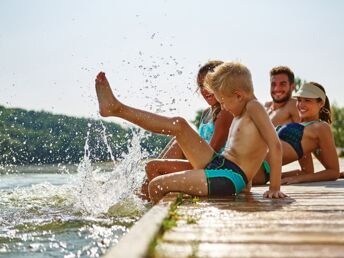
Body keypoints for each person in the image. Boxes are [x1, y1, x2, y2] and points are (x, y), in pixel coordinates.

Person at [95, 62, 286, 203]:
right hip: (220, 164)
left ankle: (149, 227)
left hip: (229, 176)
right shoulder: (242, 110)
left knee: (157, 185)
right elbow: (248, 148)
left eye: (223, 102)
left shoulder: (254, 107)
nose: (223, 107)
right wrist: (247, 185)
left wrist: (274, 188)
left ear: (238, 95)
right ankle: (116, 108)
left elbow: (274, 145)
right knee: (179, 124)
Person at [142, 61, 233, 200]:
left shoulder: (225, 113)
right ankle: (145, 196)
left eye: (209, 84)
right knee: (176, 142)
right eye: (201, 86)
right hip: (202, 164)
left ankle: (151, 203)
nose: (204, 90)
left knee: (153, 166)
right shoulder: (206, 114)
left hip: (214, 169)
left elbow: (211, 154)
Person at [255, 82, 340, 185]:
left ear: (321, 103)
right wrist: (279, 176)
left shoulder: (321, 127)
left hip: (258, 167)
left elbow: (333, 172)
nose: (301, 104)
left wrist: (297, 179)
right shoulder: (303, 127)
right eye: (299, 100)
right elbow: (307, 171)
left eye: (307, 100)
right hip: (254, 163)